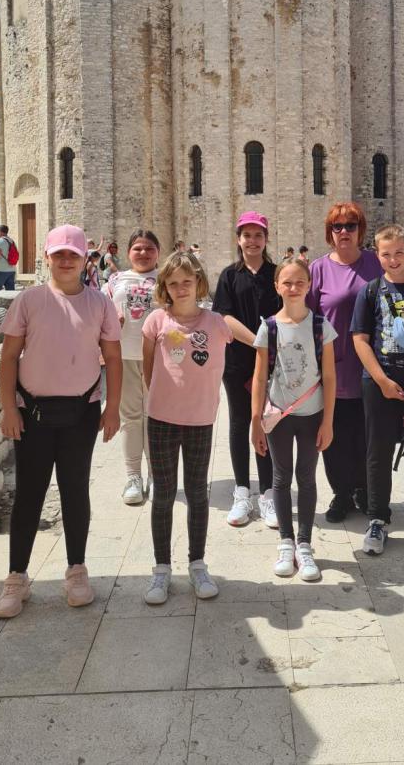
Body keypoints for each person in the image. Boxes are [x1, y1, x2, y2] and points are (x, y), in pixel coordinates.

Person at [0, 224, 122, 619]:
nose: (66, 261)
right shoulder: (29, 301)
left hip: (81, 412)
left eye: (73, 254)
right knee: (29, 494)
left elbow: (112, 358)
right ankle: (17, 577)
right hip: (32, 413)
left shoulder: (99, 303)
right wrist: (8, 408)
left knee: (75, 490)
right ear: (47, 258)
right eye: (59, 254)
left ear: (85, 260)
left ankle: (76, 570)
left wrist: (113, 408)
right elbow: (9, 357)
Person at [141, 251, 232, 603]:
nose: (180, 288)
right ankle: (161, 568)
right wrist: (163, 397)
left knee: (197, 493)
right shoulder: (156, 321)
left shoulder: (216, 323)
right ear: (164, 286)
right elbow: (148, 366)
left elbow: (250, 341)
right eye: (173, 283)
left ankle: (197, 563)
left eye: (187, 282)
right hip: (162, 419)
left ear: (198, 283)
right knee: (163, 494)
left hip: (200, 420)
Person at [251, 257, 336, 580]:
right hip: (280, 415)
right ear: (277, 286)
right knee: (281, 477)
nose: (293, 288)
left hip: (312, 413)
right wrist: (255, 421)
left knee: (307, 477)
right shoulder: (269, 327)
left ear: (309, 285)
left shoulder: (320, 326)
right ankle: (286, 542)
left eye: (300, 282)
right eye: (287, 282)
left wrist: (328, 421)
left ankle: (305, 544)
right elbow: (260, 377)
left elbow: (330, 376)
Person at [351, 224, 404, 555]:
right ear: (377, 256)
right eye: (386, 254)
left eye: (398, 252)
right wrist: (381, 380)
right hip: (380, 382)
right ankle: (378, 517)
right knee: (378, 451)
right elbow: (360, 339)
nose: (393, 259)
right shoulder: (369, 292)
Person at [307, 202, 381, 522]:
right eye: (337, 227)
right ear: (330, 233)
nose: (344, 232)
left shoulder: (375, 264)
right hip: (332, 366)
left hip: (370, 366)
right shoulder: (318, 269)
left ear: (360, 230)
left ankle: (364, 489)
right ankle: (341, 492)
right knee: (333, 433)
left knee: (366, 433)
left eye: (351, 225)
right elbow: (308, 317)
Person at [212, 212, 281, 528]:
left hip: (273, 363)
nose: (252, 241)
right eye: (247, 235)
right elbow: (224, 317)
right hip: (239, 361)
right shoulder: (229, 276)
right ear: (238, 239)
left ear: (265, 239)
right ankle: (242, 491)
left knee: (268, 422)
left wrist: (268, 349)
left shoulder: (276, 274)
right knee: (240, 422)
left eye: (258, 235)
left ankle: (268, 493)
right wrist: (257, 342)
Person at [103, 229, 161, 505]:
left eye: (149, 248)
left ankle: (156, 476)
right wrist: (111, 317)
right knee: (130, 417)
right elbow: (100, 309)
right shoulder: (116, 280)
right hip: (124, 356)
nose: (143, 253)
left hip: (157, 358)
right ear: (128, 253)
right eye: (137, 248)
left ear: (158, 253)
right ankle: (133, 476)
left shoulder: (166, 277)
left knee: (155, 417)